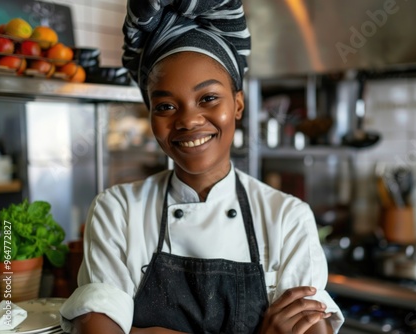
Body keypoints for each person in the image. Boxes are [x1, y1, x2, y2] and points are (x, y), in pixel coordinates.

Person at [60, 0, 344, 333]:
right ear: (150, 115)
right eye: (165, 105)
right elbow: (96, 327)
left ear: (237, 104)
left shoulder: (287, 217)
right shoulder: (117, 211)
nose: (189, 120)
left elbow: (311, 326)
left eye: (208, 98)